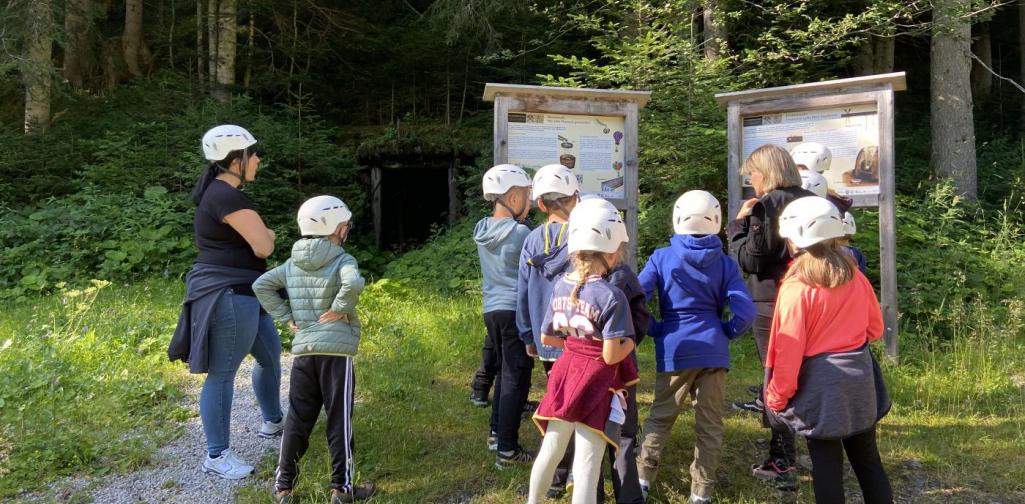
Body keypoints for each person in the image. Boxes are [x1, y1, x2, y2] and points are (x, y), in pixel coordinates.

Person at [169, 125, 283, 479]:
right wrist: (269, 235)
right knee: (222, 374)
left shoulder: (220, 194)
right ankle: (216, 456)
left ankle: (274, 421)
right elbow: (264, 246)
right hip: (229, 295)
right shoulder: (227, 197)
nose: (258, 158)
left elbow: (258, 242)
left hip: (245, 291)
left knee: (269, 353)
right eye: (253, 152)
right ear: (236, 160)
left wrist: (265, 235)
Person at [766, 196, 893, 504]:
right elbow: (874, 330)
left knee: (826, 467)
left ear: (794, 241)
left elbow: (789, 350)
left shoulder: (796, 288)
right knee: (868, 461)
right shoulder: (856, 277)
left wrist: (776, 396)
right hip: (859, 377)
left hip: (821, 384)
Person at [253, 195, 376, 504]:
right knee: (339, 419)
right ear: (336, 228)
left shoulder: (292, 263)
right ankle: (342, 489)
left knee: (297, 418)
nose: (347, 230)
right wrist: (339, 307)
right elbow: (354, 283)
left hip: (305, 351)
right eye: (345, 225)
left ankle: (283, 488)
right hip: (336, 355)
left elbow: (261, 285)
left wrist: (286, 318)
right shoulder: (342, 259)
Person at [635, 190, 755, 504]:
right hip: (713, 350)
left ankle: (642, 481)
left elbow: (636, 296)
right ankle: (701, 493)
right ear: (715, 221)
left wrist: (655, 329)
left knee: (660, 417)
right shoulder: (726, 263)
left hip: (675, 347)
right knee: (710, 425)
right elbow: (745, 312)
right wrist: (725, 331)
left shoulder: (661, 257)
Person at [527, 204, 639, 504]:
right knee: (588, 461)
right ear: (613, 252)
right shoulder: (611, 296)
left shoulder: (560, 285)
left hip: (565, 371)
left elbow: (547, 336)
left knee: (552, 446)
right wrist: (630, 343)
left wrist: (574, 347)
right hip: (595, 379)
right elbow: (612, 355)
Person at [726, 144, 813, 488]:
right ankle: (819, 447)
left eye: (753, 174)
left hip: (771, 300)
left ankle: (782, 460)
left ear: (766, 173)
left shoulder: (766, 205)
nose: (751, 181)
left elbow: (752, 261)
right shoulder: (809, 198)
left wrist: (737, 225)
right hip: (810, 293)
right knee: (808, 370)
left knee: (775, 377)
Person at [572, 196, 649, 504]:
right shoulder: (624, 279)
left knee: (589, 437)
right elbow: (640, 322)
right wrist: (627, 346)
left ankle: (591, 495)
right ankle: (628, 497)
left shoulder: (569, 280)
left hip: (582, 373)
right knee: (623, 436)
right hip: (617, 372)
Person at [514, 163, 579, 494]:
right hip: (580, 340)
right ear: (575, 198)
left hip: (545, 338)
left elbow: (522, 292)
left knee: (557, 402)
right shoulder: (583, 237)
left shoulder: (531, 241)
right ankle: (572, 474)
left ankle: (555, 477)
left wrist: (527, 335)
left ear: (539, 204)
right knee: (580, 404)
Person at [472, 164, 535, 461]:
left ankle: (497, 434)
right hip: (514, 312)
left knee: (504, 373)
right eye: (526, 195)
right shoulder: (520, 233)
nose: (530, 202)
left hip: (492, 311)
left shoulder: (482, 230)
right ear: (512, 198)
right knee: (515, 376)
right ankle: (507, 450)